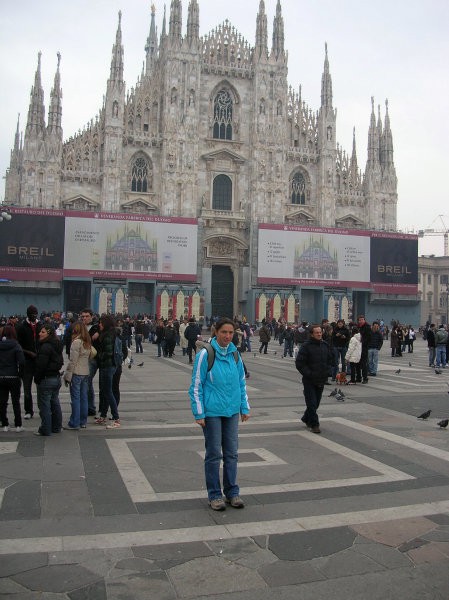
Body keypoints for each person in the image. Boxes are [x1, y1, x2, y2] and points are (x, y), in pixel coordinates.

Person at [189, 317, 250, 511]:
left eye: (231, 332)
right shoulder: (205, 354)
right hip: (212, 412)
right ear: (216, 332)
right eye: (224, 332)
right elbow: (196, 386)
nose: (227, 336)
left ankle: (232, 492)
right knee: (214, 453)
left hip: (231, 411)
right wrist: (199, 413)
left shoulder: (235, 355)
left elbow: (241, 382)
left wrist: (244, 407)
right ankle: (215, 494)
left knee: (232, 453)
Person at [295, 324, 334, 434]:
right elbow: (299, 363)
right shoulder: (306, 346)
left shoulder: (325, 345)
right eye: (317, 332)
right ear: (312, 334)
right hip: (309, 380)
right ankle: (314, 424)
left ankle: (306, 418)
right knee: (311, 403)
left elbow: (331, 359)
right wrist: (309, 373)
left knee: (316, 403)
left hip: (321, 379)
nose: (319, 334)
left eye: (320, 332)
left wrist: (328, 371)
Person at [34, 324, 64, 436]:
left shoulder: (45, 346)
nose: (39, 334)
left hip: (46, 378)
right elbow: (60, 362)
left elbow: (41, 365)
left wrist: (37, 378)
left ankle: (45, 429)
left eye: (42, 332)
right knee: (55, 402)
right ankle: (56, 427)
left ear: (49, 334)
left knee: (44, 405)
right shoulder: (57, 345)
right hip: (56, 378)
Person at [63, 322, 92, 430]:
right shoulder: (87, 341)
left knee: (75, 398)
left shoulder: (76, 342)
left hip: (77, 372)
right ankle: (83, 421)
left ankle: (74, 422)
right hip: (85, 372)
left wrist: (67, 375)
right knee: (84, 398)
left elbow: (73, 361)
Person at [16, 305, 42, 420]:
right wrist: (29, 353)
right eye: (32, 314)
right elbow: (18, 345)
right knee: (27, 389)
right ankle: (28, 411)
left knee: (40, 387)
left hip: (39, 361)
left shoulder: (41, 326)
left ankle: (42, 409)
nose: (34, 315)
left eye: (35, 313)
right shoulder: (21, 327)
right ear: (27, 314)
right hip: (27, 362)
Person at [95, 315, 120, 428]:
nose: (99, 325)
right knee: (105, 391)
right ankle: (103, 415)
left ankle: (116, 418)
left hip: (107, 366)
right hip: (109, 366)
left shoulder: (108, 336)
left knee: (108, 392)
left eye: (101, 323)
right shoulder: (110, 333)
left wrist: (98, 355)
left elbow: (108, 352)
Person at [0, 325, 25, 432]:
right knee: (16, 401)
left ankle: (4, 424)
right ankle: (18, 425)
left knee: (2, 402)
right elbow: (22, 361)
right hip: (14, 376)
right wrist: (20, 374)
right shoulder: (16, 345)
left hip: (1, 376)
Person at [80, 309, 100, 416]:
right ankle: (89, 407)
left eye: (87, 316)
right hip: (82, 358)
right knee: (88, 382)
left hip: (92, 358)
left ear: (91, 317)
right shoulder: (79, 328)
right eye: (83, 316)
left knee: (87, 381)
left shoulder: (96, 327)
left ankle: (89, 407)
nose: (84, 318)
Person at [357, 315, 371, 383]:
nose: (361, 321)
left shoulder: (367, 327)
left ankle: (365, 378)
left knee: (363, 364)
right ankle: (359, 377)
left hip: (364, 348)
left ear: (364, 320)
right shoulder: (358, 327)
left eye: (362, 319)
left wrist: (362, 342)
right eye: (359, 320)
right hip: (358, 348)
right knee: (358, 363)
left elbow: (369, 338)